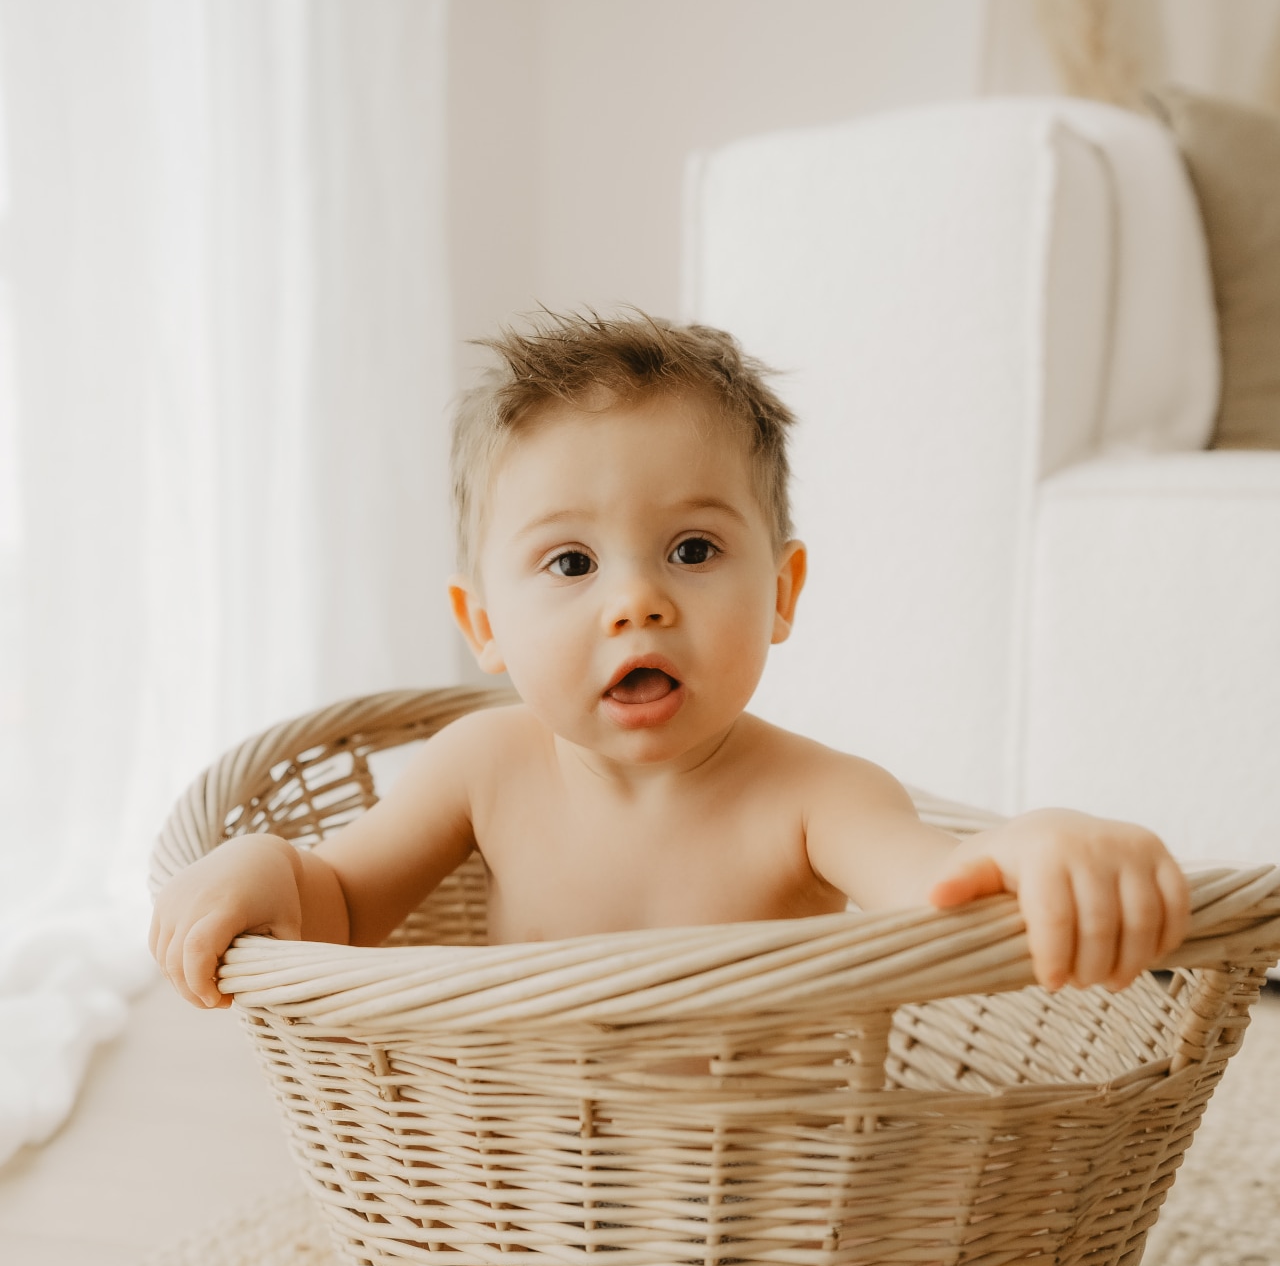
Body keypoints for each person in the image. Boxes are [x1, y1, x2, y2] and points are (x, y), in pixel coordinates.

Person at [150, 311, 1189, 1009]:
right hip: (535, 1176)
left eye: (692, 550)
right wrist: (266, 866)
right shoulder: (482, 766)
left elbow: (943, 891)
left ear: (780, 593)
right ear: (486, 626)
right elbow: (337, 904)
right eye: (568, 561)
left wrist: (1038, 844)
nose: (636, 599)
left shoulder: (815, 796)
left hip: (760, 1192)